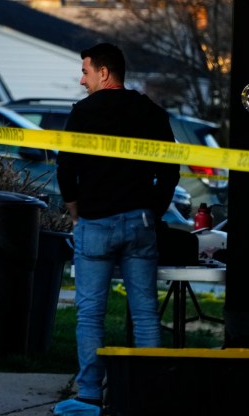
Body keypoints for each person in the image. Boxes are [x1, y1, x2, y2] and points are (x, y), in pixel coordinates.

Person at [53, 43, 179, 415]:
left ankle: (90, 393)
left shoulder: (83, 112)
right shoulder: (151, 112)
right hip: (139, 222)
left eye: (86, 72)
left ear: (104, 73)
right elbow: (170, 168)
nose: (82, 79)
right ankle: (147, 395)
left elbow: (65, 168)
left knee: (90, 313)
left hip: (94, 223)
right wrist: (153, 211)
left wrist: (75, 211)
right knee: (144, 313)